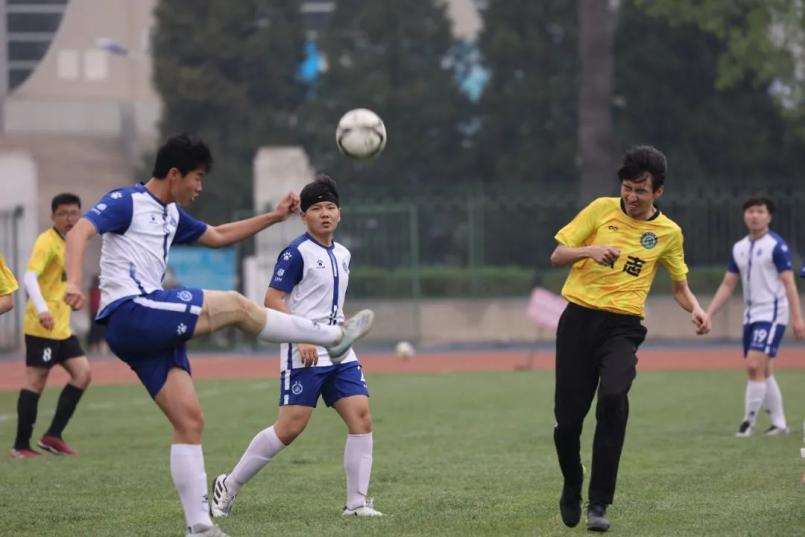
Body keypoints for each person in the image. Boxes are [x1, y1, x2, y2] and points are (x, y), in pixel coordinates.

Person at [63, 134, 374, 537]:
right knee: (236, 307)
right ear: (174, 174)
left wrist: (273, 217)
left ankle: (200, 527)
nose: (200, 187)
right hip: (132, 310)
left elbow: (219, 235)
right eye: (197, 178)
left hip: (150, 329)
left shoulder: (172, 215)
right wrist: (74, 282)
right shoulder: (128, 201)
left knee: (190, 420)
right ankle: (329, 335)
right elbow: (79, 231)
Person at [549, 145, 710, 532]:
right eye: (627, 188)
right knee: (567, 422)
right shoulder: (600, 209)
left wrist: (696, 308)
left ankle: (599, 502)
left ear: (658, 191)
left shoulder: (669, 233)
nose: (631, 197)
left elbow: (679, 287)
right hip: (578, 321)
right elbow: (557, 255)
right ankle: (572, 482)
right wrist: (591, 250)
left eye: (640, 190)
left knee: (613, 398)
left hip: (623, 327)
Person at [210, 175, 383, 520]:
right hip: (303, 349)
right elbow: (272, 299)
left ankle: (356, 504)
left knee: (361, 417)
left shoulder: (344, 254)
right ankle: (228, 485)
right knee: (290, 428)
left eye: (330, 207)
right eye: (316, 209)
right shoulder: (296, 253)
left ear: (340, 213)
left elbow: (326, 302)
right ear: (303, 216)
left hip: (338, 347)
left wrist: (342, 326)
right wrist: (300, 337)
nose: (325, 213)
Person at [705, 197, 804, 437]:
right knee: (764, 370)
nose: (755, 215)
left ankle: (747, 423)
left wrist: (798, 318)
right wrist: (708, 313)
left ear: (769, 216)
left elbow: (789, 283)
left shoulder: (776, 246)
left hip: (772, 312)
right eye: (750, 211)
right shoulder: (739, 247)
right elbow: (728, 284)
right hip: (750, 316)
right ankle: (780, 424)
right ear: (744, 215)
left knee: (752, 365)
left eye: (760, 211)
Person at [11, 194, 91, 459]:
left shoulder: (72, 242)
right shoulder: (46, 242)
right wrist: (43, 309)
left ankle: (53, 436)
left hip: (62, 327)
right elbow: (29, 277)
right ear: (52, 216)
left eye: (74, 213)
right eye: (63, 214)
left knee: (83, 374)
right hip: (42, 326)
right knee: (36, 381)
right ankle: (21, 446)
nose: (70, 219)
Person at [85, 274, 108, 354]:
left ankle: (99, 347)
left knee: (98, 330)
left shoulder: (97, 289)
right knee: (97, 330)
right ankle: (96, 347)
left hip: (97, 312)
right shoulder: (94, 290)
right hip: (96, 312)